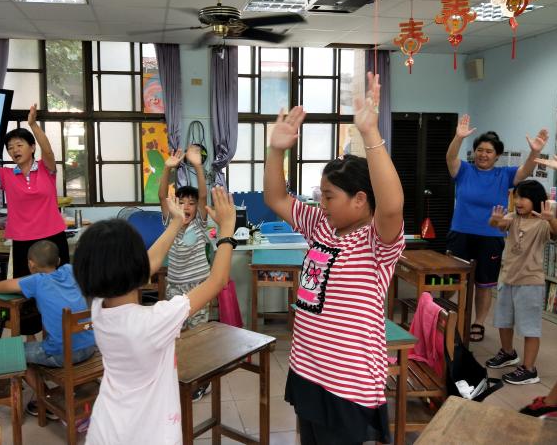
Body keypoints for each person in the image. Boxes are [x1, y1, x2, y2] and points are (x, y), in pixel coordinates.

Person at [264, 72, 405, 445]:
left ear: (359, 199)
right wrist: (276, 150)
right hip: (308, 367)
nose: (321, 203)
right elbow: (276, 198)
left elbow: (392, 205)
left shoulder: (376, 242)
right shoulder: (321, 225)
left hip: (347, 381)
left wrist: (370, 134)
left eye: (329, 196)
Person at [73, 187, 236, 445]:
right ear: (135, 266)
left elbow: (151, 262)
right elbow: (217, 281)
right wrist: (227, 230)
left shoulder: (99, 307)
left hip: (105, 429)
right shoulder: (155, 321)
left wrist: (175, 222)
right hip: (151, 435)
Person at [445, 116, 548, 342]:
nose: (483, 154)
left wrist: (535, 152)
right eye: (480, 150)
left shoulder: (504, 175)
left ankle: (478, 322)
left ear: (497, 155)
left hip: (490, 236)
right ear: (474, 152)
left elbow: (526, 170)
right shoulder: (464, 170)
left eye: (489, 151)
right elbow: (450, 157)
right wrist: (458, 137)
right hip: (460, 233)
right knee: (452, 281)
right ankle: (446, 315)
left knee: (483, 284)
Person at [0, 104, 68, 279]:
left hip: (53, 235)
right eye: (10, 147)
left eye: (19, 145)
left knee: (59, 280)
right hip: (22, 239)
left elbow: (48, 150)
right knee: (24, 285)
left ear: (32, 147)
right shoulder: (6, 175)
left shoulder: (46, 168)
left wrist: (33, 124)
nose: (14, 150)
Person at [0, 240, 96, 419]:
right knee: (51, 340)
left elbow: (0, 287)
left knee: (14, 354)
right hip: (89, 347)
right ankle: (64, 392)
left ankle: (49, 400)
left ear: (31, 264)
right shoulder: (70, 270)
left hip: (63, 355)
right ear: (58, 260)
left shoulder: (36, 281)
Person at [486, 180, 557, 384]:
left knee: (529, 327)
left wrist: (551, 219)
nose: (518, 201)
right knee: (503, 320)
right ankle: (508, 352)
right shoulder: (513, 217)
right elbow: (498, 224)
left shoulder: (542, 223)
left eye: (523, 197)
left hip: (530, 282)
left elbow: (556, 232)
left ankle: (529, 369)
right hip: (507, 278)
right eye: (516, 197)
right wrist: (494, 220)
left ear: (536, 200)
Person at [158, 144, 210, 330]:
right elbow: (162, 196)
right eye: (181, 202)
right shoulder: (171, 223)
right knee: (175, 332)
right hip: (175, 286)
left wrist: (198, 166)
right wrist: (167, 168)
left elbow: (203, 196)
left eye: (191, 203)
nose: (186, 206)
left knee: (199, 333)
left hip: (199, 285)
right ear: (174, 205)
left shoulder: (199, 223)